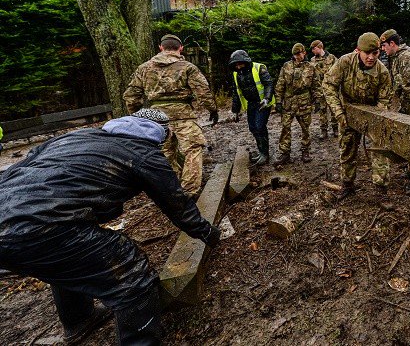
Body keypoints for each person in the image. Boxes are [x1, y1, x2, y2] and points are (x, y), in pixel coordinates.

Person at [0, 109, 221, 345]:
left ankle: (79, 320)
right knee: (132, 276)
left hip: (9, 217)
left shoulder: (77, 136)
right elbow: (177, 204)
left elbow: (22, 167)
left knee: (66, 259)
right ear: (161, 133)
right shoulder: (145, 154)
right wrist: (207, 232)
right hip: (44, 225)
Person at [124, 34, 218, 197]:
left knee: (164, 154)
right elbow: (203, 92)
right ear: (180, 48)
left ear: (161, 48)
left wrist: (138, 115)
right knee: (193, 149)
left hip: (156, 118)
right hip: (183, 115)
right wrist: (212, 109)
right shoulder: (187, 67)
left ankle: (170, 189)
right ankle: (189, 191)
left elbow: (131, 96)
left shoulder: (144, 68)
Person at [323, 33, 393, 200]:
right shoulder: (345, 62)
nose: (370, 57)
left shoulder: (382, 72)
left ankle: (381, 191)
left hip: (373, 114)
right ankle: (347, 185)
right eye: (366, 53)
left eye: (375, 53)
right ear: (357, 51)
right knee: (347, 149)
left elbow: (385, 99)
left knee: (381, 149)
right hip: (348, 113)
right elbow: (328, 84)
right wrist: (338, 112)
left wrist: (376, 119)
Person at [380, 29, 410, 193]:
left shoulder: (405, 58)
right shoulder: (397, 58)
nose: (383, 50)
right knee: (409, 138)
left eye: (384, 46)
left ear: (392, 44)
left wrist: (402, 106)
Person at [274, 43, 322, 165]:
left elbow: (316, 85)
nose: (297, 56)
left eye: (299, 54)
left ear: (304, 53)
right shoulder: (286, 66)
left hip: (304, 102)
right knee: (285, 128)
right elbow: (280, 85)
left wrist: (318, 101)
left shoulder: (310, 67)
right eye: (295, 54)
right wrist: (278, 101)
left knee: (305, 128)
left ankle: (305, 151)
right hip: (289, 102)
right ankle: (285, 153)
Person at [229, 50, 274, 164]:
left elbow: (269, 83)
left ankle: (265, 154)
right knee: (253, 127)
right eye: (236, 65)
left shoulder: (259, 68)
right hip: (251, 103)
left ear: (245, 61)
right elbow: (236, 92)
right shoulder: (236, 74)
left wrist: (267, 98)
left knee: (260, 126)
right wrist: (235, 111)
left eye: (240, 64)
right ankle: (261, 151)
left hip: (263, 102)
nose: (238, 67)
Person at [309, 40, 338, 139]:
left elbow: (338, 71)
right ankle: (324, 131)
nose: (312, 51)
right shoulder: (312, 60)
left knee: (333, 109)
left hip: (331, 89)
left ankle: (336, 129)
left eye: (314, 48)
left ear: (319, 47)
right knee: (322, 111)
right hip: (319, 89)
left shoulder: (332, 58)